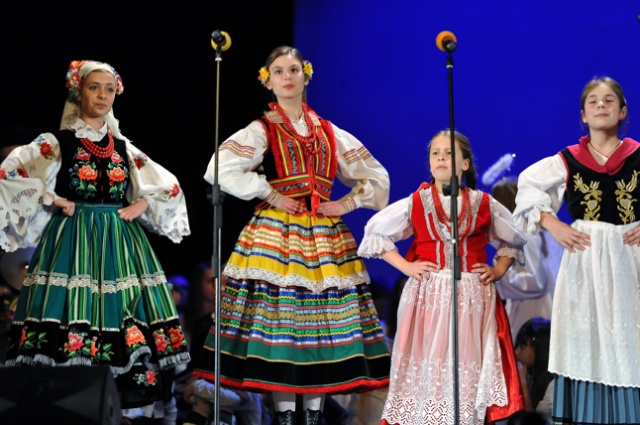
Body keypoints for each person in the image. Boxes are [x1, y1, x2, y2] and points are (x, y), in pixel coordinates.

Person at [193, 45, 392, 425]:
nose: (287, 76)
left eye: (294, 69)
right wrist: (270, 193)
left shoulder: (328, 131)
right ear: (268, 81)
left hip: (324, 238)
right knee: (284, 327)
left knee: (319, 329)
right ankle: (285, 418)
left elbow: (376, 177)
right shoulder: (263, 129)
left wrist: (346, 204)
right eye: (279, 71)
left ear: (306, 75)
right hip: (277, 236)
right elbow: (219, 166)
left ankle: (313, 417)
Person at [0, 60, 191, 409]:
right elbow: (10, 171)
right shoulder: (57, 141)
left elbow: (169, 186)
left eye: (108, 88)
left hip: (119, 240)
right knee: (73, 314)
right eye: (94, 87)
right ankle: (70, 403)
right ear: (79, 91)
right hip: (74, 238)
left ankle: (115, 408)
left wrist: (143, 204)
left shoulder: (123, 147)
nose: (102, 95)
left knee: (123, 314)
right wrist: (52, 198)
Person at [358, 129, 527, 425]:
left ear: (464, 164)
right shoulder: (417, 202)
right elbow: (375, 233)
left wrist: (498, 269)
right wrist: (407, 267)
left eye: (449, 153)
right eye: (435, 153)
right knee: (429, 371)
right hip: (428, 297)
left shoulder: (481, 203)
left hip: (471, 297)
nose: (440, 158)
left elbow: (513, 238)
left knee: (464, 369)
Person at [512, 76, 640, 424]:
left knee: (630, 335)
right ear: (583, 114)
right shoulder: (568, 160)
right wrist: (553, 224)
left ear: (623, 111)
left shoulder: (638, 156)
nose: (601, 105)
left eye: (609, 100)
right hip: (586, 260)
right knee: (589, 336)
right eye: (594, 101)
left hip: (631, 259)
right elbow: (528, 186)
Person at [491, 176, 556, 341]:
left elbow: (535, 282)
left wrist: (499, 270)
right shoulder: (525, 233)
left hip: (533, 318)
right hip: (529, 314)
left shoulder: (523, 235)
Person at [513, 317, 553, 420]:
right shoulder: (531, 375)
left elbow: (534, 422)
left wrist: (523, 386)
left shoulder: (554, 386)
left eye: (522, 347)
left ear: (539, 350)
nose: (516, 352)